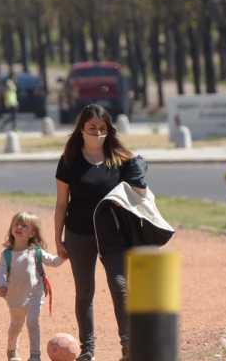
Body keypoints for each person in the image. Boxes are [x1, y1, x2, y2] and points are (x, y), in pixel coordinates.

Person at [53, 104, 147, 361]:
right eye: (92, 127)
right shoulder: (69, 161)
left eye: (102, 128)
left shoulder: (120, 159)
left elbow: (140, 195)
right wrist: (58, 238)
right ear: (81, 129)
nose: (97, 132)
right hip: (78, 233)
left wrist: (140, 176)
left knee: (120, 287)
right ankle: (88, 349)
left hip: (113, 235)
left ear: (109, 130)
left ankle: (128, 348)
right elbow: (62, 203)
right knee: (85, 292)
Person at [0, 211, 65, 361]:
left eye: (24, 225)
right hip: (15, 297)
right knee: (16, 325)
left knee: (33, 322)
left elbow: (54, 261)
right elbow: (0, 272)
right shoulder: (6, 254)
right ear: (11, 229)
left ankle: (35, 355)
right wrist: (1, 285)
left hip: (35, 295)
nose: (19, 227)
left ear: (32, 232)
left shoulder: (36, 252)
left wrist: (64, 255)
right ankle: (12, 351)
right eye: (16, 224)